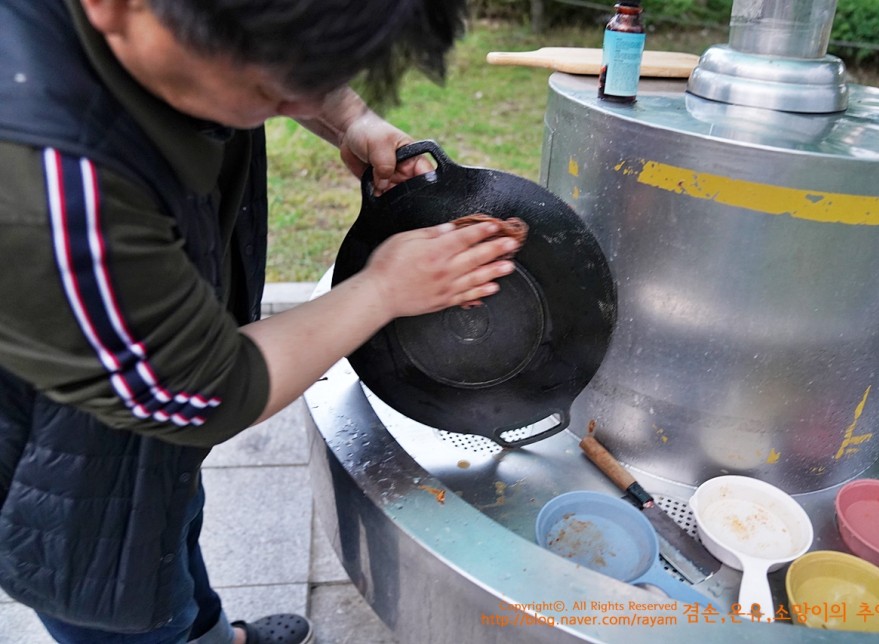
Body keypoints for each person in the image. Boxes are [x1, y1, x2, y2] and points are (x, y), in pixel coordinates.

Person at [0, 1, 518, 642]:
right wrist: (383, 290)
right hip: (60, 461)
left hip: (139, 398)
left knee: (172, 524)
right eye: (271, 90)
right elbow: (202, 393)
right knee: (117, 592)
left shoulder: (175, 34)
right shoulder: (52, 186)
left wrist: (348, 116)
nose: (293, 100)